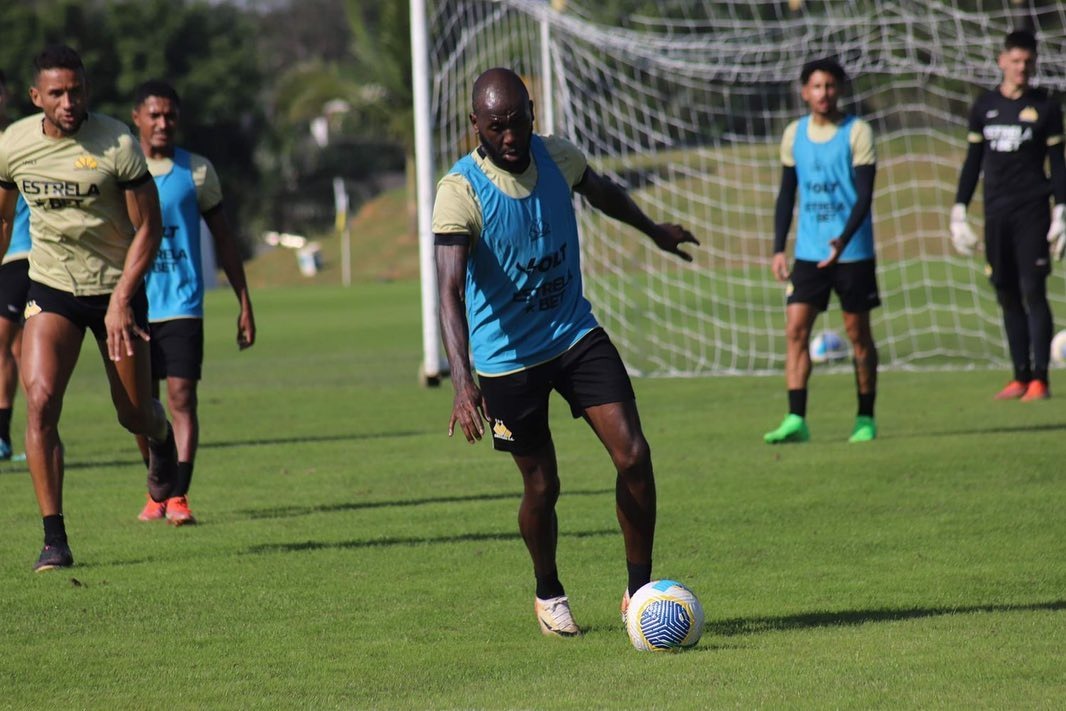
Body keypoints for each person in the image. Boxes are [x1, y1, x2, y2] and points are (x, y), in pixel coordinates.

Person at [433, 68, 698, 637]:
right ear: (475, 125)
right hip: (507, 360)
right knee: (543, 487)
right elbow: (449, 293)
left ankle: (640, 590)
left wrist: (653, 230)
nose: (510, 136)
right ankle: (548, 589)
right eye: (496, 126)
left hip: (573, 333)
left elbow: (603, 194)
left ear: (533, 112)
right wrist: (462, 383)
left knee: (634, 454)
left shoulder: (558, 158)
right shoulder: (459, 191)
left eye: (518, 121)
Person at [0, 45, 178, 572]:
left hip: (114, 289)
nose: (68, 101)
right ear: (37, 97)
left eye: (76, 90)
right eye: (56, 93)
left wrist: (123, 297)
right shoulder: (13, 146)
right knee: (41, 402)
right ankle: (54, 538)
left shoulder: (118, 144)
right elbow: (3, 218)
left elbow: (150, 226)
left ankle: (161, 435)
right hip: (50, 285)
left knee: (133, 415)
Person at [129, 79, 256, 526]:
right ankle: (156, 486)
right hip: (134, 306)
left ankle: (178, 495)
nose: (163, 123)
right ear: (137, 118)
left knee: (181, 398)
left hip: (183, 303)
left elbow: (224, 239)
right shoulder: (121, 169)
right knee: (141, 408)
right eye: (155, 115)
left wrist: (243, 300)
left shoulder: (197, 171)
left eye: (170, 116)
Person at [764, 57, 880, 445]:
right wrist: (779, 249)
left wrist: (843, 240)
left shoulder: (857, 132)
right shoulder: (794, 134)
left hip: (852, 252)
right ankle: (796, 418)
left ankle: (865, 417)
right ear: (804, 92)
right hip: (810, 253)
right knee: (795, 329)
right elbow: (786, 195)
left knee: (857, 334)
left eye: (830, 86)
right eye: (816, 86)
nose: (823, 93)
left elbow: (864, 196)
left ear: (839, 90)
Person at [950, 29, 1066, 401]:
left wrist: (1061, 211)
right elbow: (972, 163)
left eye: (1028, 62)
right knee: (1006, 292)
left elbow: (1058, 164)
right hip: (995, 212)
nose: (1022, 68)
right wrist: (958, 210)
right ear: (1002, 61)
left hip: (1032, 211)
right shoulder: (984, 107)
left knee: (1033, 290)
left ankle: (1040, 380)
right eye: (1015, 61)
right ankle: (1019, 375)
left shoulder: (1045, 108)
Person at [0, 69, 32, 461]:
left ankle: (6, 436)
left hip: (21, 255)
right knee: (21, 347)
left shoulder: (20, 142)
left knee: (6, 343)